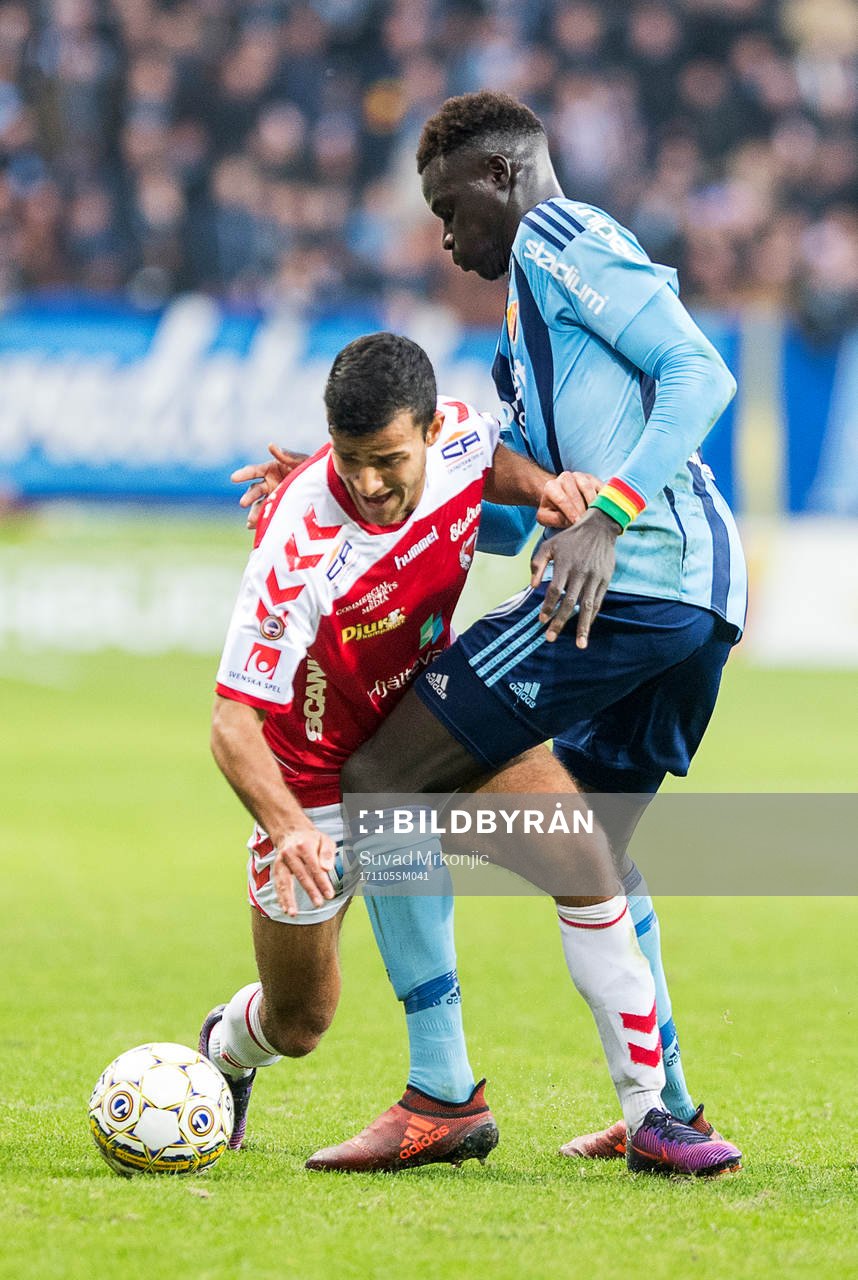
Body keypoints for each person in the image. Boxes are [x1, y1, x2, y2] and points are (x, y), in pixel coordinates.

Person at [317, 91, 748, 1175]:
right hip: (692, 598)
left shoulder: (563, 237)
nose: (445, 237)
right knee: (595, 851)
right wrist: (336, 493)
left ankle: (443, 1092)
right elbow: (512, 511)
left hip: (639, 583)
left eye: (448, 208)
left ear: (502, 178)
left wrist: (609, 517)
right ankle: (670, 1113)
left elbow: (704, 372)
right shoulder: (530, 318)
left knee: (379, 779)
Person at [201, 330, 610, 1172]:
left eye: (387, 457)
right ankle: (229, 1050)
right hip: (310, 784)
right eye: (349, 459)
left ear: (428, 432)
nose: (368, 481)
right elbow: (230, 724)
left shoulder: (456, 435)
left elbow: (485, 459)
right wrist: (287, 829)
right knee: (301, 1022)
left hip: (425, 725)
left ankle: (652, 1107)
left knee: (581, 848)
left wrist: (543, 490)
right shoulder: (296, 550)